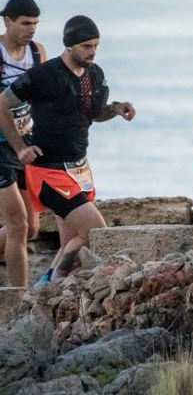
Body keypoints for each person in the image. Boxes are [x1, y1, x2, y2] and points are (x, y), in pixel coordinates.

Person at [0, 15, 135, 284]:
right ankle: (51, 280)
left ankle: (45, 291)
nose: (92, 52)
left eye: (96, 46)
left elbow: (93, 113)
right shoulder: (43, 75)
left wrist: (115, 109)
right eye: (86, 46)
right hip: (48, 170)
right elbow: (3, 103)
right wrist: (20, 147)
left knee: (70, 243)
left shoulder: (94, 74)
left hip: (80, 169)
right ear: (69, 45)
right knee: (95, 232)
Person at [0, 0, 47, 286]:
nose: (32, 29)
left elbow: (47, 95)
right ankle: (20, 299)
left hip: (25, 145)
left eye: (35, 24)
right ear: (8, 21)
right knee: (17, 225)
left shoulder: (37, 53)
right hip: (0, 148)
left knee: (31, 229)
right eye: (26, 23)